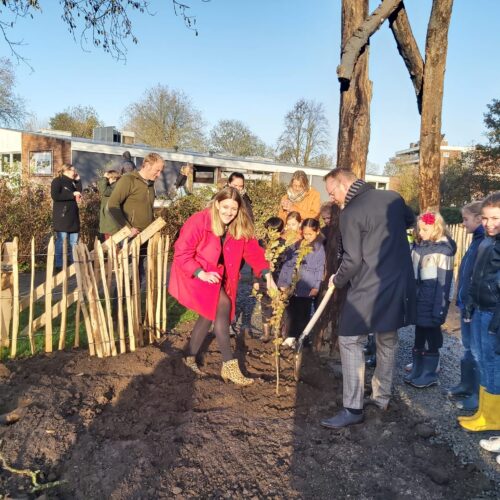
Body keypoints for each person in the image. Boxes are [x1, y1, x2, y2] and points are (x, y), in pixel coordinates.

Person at [320, 168, 416, 429]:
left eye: (332, 193)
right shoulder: (393, 198)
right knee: (387, 337)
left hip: (369, 286)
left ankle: (352, 408)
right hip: (398, 282)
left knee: (350, 339)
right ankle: (381, 397)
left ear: (344, 184)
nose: (334, 200)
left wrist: (336, 280)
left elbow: (352, 260)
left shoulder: (350, 213)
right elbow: (410, 220)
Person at [168, 187, 278, 385]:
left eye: (234, 209)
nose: (229, 212)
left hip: (219, 278)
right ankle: (229, 364)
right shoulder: (200, 221)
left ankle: (189, 357)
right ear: (217, 204)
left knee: (208, 314)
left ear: (239, 209)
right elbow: (182, 252)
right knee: (223, 305)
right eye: (225, 207)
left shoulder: (240, 225)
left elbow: (253, 251)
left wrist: (266, 273)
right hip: (196, 274)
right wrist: (200, 272)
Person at [459, 191, 500, 432]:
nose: (489, 224)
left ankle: (493, 417)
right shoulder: (486, 241)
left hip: (494, 315)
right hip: (480, 311)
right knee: (483, 361)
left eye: (495, 218)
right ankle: (484, 412)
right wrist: (471, 304)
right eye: (485, 218)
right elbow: (476, 278)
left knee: (493, 364)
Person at [404, 211, 456, 389]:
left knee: (431, 335)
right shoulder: (421, 246)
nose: (421, 233)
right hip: (420, 300)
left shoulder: (443, 252)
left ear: (436, 228)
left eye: (425, 229)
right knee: (419, 334)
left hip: (433, 302)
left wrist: (440, 309)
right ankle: (417, 368)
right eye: (419, 229)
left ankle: (429, 373)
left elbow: (444, 283)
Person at [447, 201, 485, 410]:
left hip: (476, 306)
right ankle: (466, 384)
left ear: (478, 219)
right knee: (467, 348)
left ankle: (478, 394)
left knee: (477, 351)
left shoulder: (485, 241)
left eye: (465, 219)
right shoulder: (475, 240)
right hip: (466, 303)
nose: (462, 224)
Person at [107, 152, 165, 281]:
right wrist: (127, 228)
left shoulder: (150, 185)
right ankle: (120, 302)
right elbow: (112, 205)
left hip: (146, 236)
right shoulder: (128, 180)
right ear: (147, 165)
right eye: (157, 170)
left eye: (160, 171)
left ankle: (136, 301)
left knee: (140, 275)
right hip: (131, 236)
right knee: (127, 276)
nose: (159, 174)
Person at [278, 218, 326, 348]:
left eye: (310, 234)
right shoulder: (297, 245)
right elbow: (287, 264)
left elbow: (320, 269)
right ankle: (291, 336)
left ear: (317, 232)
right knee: (291, 311)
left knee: (303, 313)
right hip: (293, 285)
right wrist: (283, 282)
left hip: (307, 285)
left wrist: (316, 286)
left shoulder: (319, 249)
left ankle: (302, 339)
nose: (307, 236)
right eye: (305, 234)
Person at [253, 217, 285, 342]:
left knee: (279, 306)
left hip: (278, 280)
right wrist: (255, 280)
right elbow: (255, 263)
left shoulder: (284, 245)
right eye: (270, 230)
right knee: (265, 305)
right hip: (262, 280)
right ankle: (266, 333)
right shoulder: (261, 243)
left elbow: (285, 265)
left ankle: (279, 333)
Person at [51, 163, 82, 270]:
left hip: (73, 216)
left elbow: (79, 192)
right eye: (73, 170)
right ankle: (59, 264)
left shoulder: (73, 182)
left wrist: (78, 181)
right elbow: (55, 196)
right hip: (62, 216)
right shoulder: (57, 181)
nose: (75, 172)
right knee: (61, 240)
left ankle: (73, 263)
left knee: (74, 241)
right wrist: (71, 195)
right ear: (67, 171)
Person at [97, 169, 121, 240]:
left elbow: (104, 191)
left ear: (113, 178)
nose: (107, 180)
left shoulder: (116, 187)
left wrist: (104, 178)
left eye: (108, 178)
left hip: (111, 220)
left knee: (112, 242)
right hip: (108, 219)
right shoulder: (111, 187)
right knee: (109, 241)